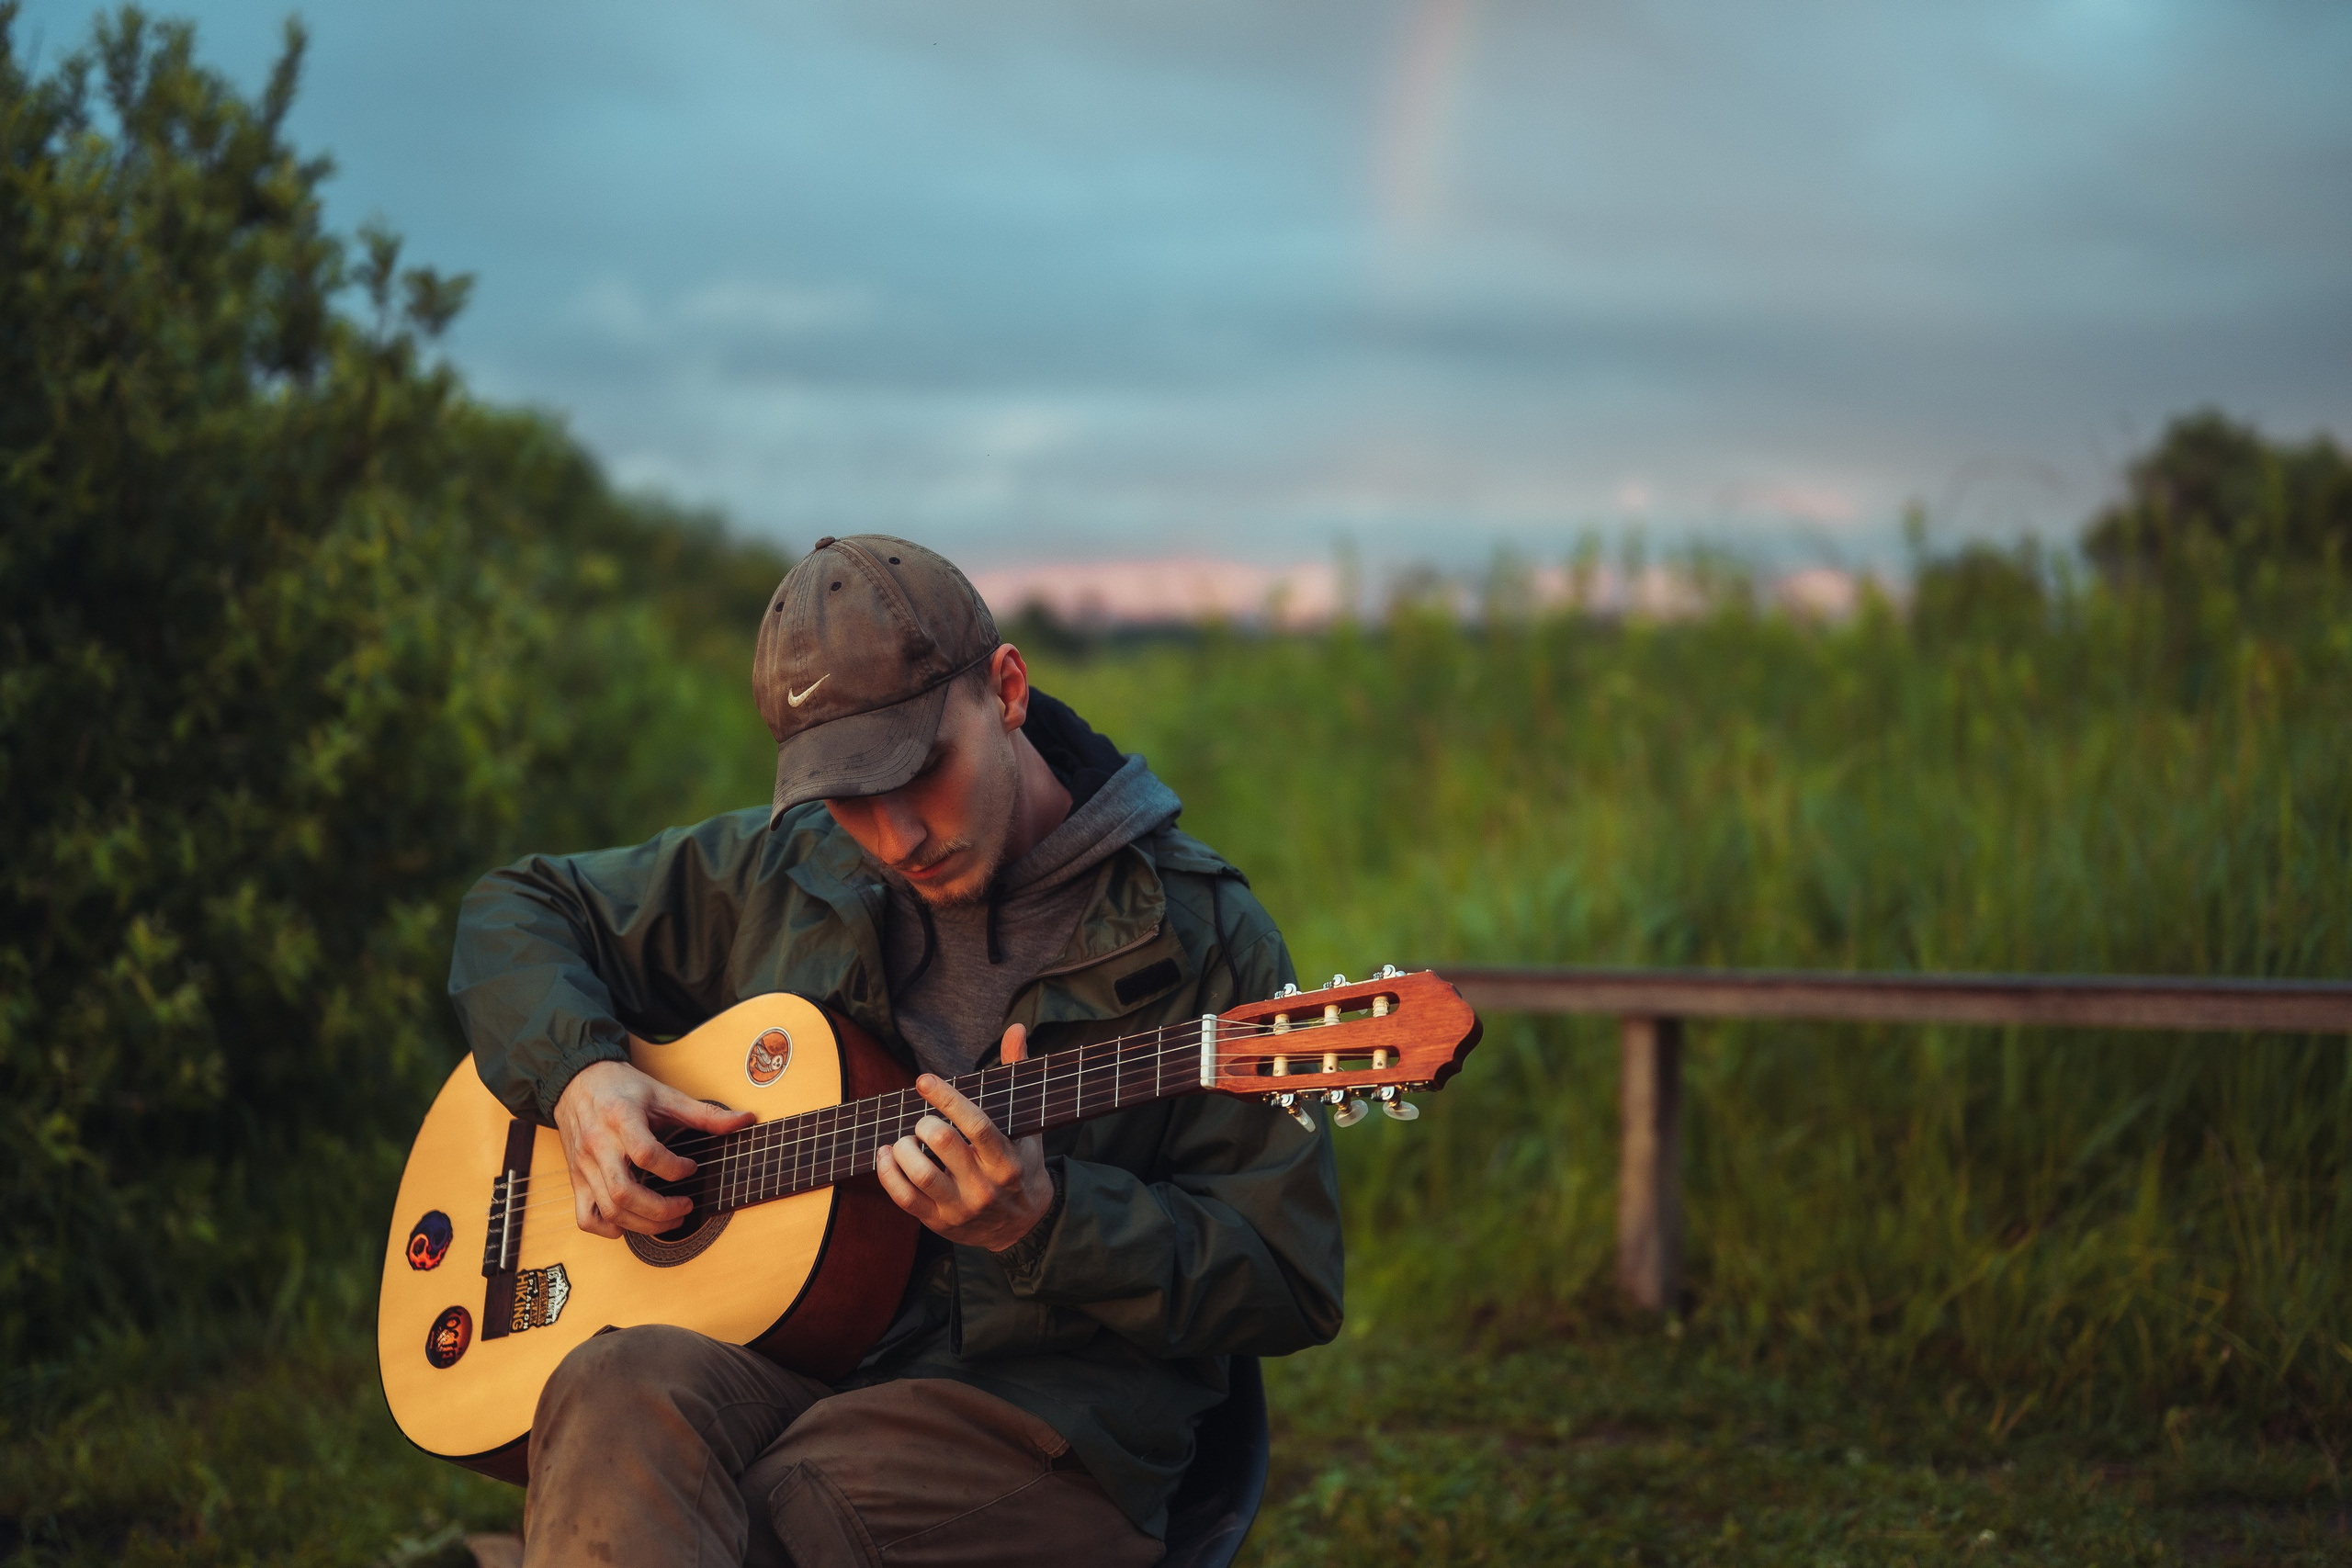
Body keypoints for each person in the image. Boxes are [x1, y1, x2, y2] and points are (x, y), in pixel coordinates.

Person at [448, 535, 1343, 1568]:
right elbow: (519, 908)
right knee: (608, 1390)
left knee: (775, 1513)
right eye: (846, 796)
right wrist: (580, 1076)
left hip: (1038, 1423)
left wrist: (1049, 1223)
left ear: (1005, 690)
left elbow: (1286, 1273)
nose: (893, 834)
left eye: (921, 771)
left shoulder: (1201, 937)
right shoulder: (788, 866)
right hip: (794, 1357)